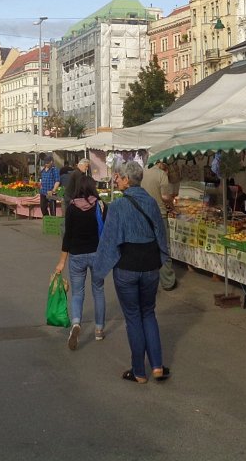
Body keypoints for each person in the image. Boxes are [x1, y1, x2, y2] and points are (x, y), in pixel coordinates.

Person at [94, 160, 170, 384]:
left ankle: (139, 371)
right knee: (149, 313)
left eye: (118, 176)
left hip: (127, 267)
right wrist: (162, 259)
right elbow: (160, 234)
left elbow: (108, 241)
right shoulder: (152, 203)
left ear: (127, 180)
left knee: (134, 317)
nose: (116, 179)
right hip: (150, 266)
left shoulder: (117, 206)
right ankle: (157, 365)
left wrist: (99, 270)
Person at [54, 180, 106, 350]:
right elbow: (106, 231)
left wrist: (62, 261)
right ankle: (99, 330)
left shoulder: (72, 208)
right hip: (97, 254)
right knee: (98, 291)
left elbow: (67, 236)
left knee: (77, 293)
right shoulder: (100, 206)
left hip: (76, 255)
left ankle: (76, 323)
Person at [141, 159, 177, 290]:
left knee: (146, 247)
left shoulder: (142, 172)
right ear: (163, 165)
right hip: (159, 215)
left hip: (143, 214)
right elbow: (165, 196)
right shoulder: (161, 175)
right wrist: (172, 205)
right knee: (163, 247)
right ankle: (167, 282)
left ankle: (146, 280)